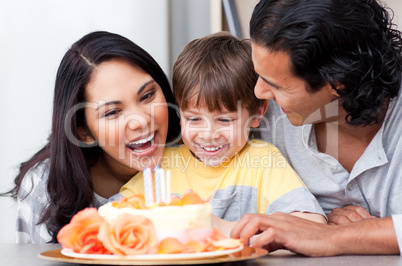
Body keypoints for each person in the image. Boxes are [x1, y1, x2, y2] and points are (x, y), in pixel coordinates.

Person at [230, 0, 402, 256]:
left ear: (338, 83)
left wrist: (335, 237)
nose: (259, 92)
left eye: (276, 85)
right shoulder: (263, 114)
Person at [118, 32, 326, 235]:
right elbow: (111, 219)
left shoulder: (263, 161)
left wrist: (221, 227)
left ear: (257, 114)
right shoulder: (161, 166)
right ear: (179, 114)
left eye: (224, 120)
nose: (208, 134)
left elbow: (313, 225)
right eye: (194, 119)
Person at [1, 31, 181, 243]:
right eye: (112, 112)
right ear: (83, 132)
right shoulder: (45, 186)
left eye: (148, 95)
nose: (140, 121)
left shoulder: (202, 156)